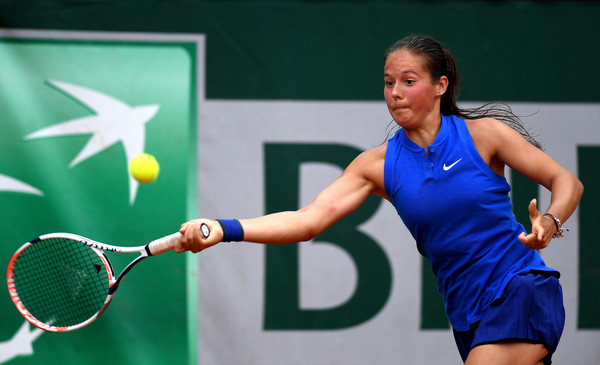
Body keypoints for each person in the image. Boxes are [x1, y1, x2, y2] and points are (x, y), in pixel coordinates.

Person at [175, 35, 584, 365]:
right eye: (389, 82)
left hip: (520, 286)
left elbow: (565, 181)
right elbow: (308, 220)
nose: (395, 93)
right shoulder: (376, 165)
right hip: (466, 311)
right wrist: (224, 229)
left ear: (440, 86)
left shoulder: (484, 135)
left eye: (409, 81)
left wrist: (549, 221)